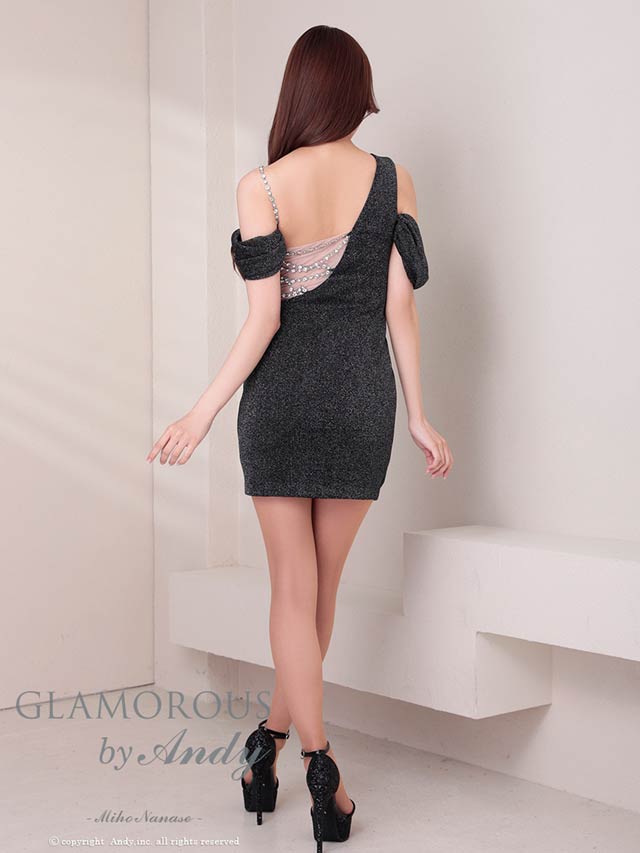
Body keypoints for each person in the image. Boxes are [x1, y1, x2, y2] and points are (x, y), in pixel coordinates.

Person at [147, 23, 453, 852]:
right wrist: (418, 413)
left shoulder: (261, 187)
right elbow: (400, 308)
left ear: (297, 93)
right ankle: (286, 748)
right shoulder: (393, 179)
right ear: (356, 91)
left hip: (279, 403)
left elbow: (264, 321)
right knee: (320, 595)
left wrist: (203, 411)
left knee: (291, 589)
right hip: (361, 401)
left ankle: (304, 754)